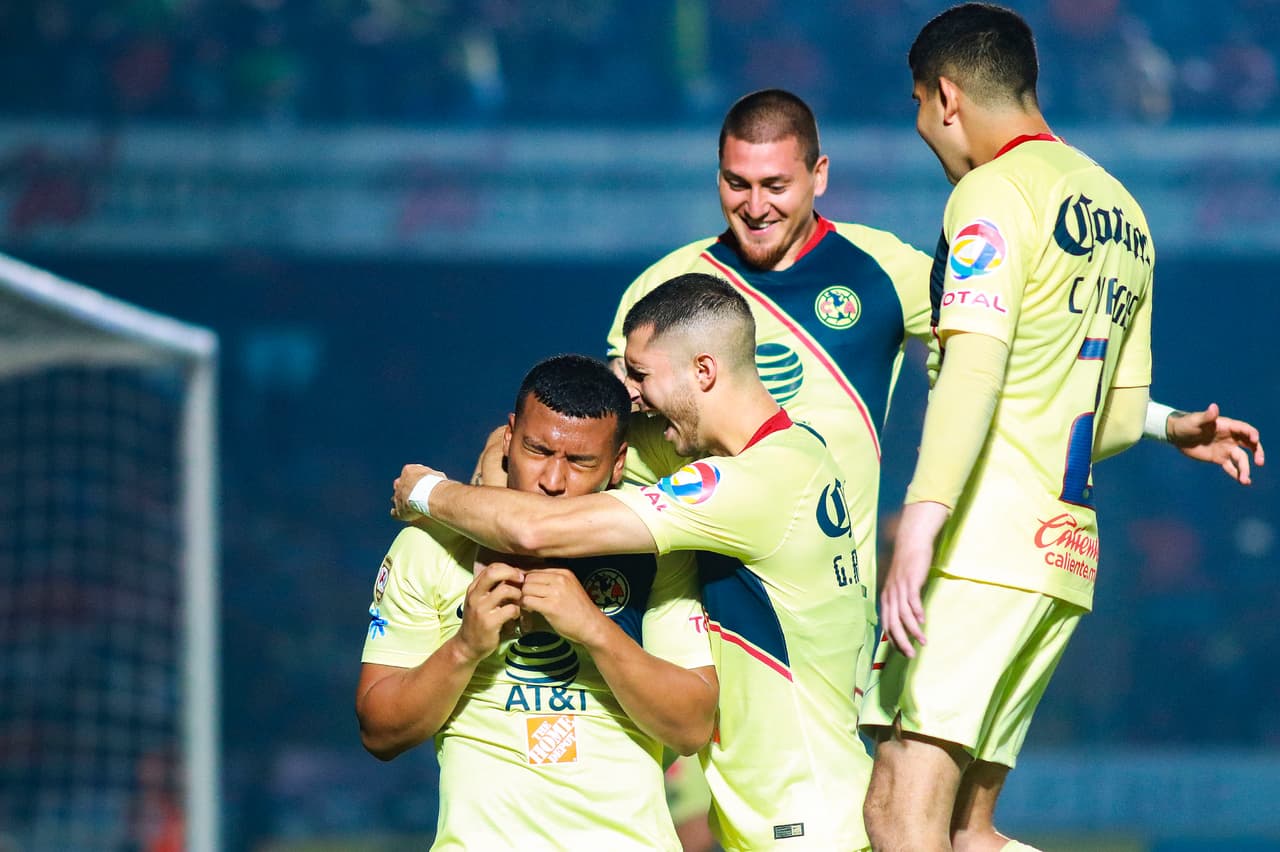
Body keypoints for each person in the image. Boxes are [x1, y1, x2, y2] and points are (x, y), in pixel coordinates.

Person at [393, 274, 875, 851]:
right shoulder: (778, 453)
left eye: (640, 375)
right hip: (780, 815)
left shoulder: (754, 481)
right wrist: (501, 464)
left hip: (803, 819)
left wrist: (426, 492)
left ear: (703, 371)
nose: (632, 394)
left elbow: (531, 526)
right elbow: (542, 435)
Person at [858, 5, 1168, 850]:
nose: (923, 128)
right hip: (1062, 556)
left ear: (946, 96)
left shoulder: (991, 194)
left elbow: (976, 367)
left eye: (918, 106)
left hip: (981, 547)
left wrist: (919, 525)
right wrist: (1175, 428)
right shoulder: (1125, 212)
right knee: (970, 832)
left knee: (899, 806)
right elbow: (1118, 418)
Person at [357, 354, 717, 850]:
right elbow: (379, 732)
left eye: (580, 462)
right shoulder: (429, 548)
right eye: (537, 450)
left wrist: (595, 629)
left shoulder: (654, 553)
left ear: (617, 464)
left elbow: (692, 727)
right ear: (508, 439)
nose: (552, 479)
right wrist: (465, 648)